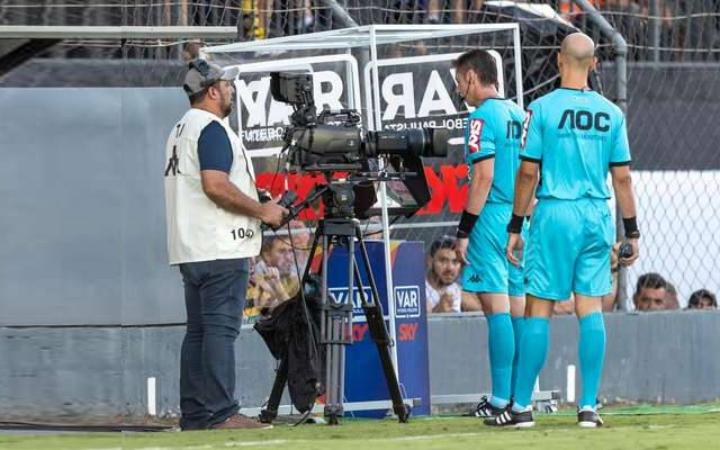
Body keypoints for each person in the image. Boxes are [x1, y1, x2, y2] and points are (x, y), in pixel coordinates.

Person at [494, 33, 640, 428]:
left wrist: (515, 225)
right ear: (594, 64)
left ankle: (521, 407)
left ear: (560, 61)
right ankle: (588, 407)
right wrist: (632, 232)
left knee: (538, 307)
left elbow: (528, 171)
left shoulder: (541, 109)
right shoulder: (612, 113)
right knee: (590, 307)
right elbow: (622, 178)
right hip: (595, 214)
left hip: (555, 212)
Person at [164, 59, 287, 431]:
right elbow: (215, 185)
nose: (232, 89)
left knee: (199, 331)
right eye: (227, 84)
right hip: (220, 246)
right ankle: (221, 412)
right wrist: (262, 210)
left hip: (193, 246)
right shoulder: (211, 128)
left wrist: (252, 196)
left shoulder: (181, 128)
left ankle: (196, 414)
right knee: (219, 330)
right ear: (213, 90)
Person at [452, 49, 527, 417]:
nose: (459, 91)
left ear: (470, 77)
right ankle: (517, 397)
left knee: (494, 307)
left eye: (457, 82)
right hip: (520, 218)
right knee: (517, 307)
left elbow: (482, 177)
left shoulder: (480, 118)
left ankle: (499, 399)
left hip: (491, 217)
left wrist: (464, 229)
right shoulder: (520, 114)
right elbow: (533, 173)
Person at [426, 236, 463, 314]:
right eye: (443, 261)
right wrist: (438, 310)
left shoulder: (459, 290)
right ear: (430, 261)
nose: (450, 268)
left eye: (455, 262)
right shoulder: (417, 291)